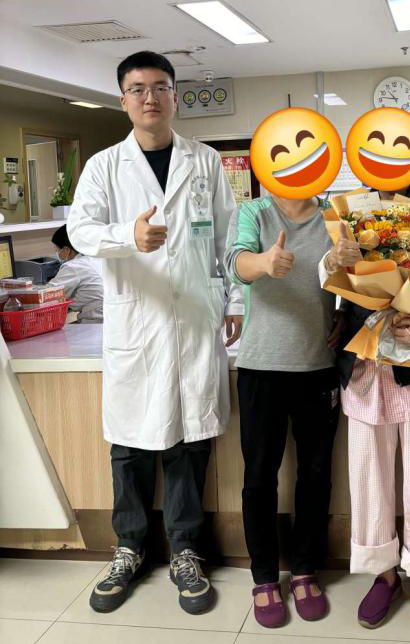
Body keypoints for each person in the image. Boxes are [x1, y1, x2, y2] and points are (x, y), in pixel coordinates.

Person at [68, 51, 242, 615]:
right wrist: (128, 236)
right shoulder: (104, 166)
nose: (150, 98)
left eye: (160, 87)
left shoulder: (205, 161)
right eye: (138, 89)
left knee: (191, 442)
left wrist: (236, 298)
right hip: (136, 323)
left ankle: (186, 551)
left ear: (175, 96)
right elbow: (80, 228)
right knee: (130, 446)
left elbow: (227, 237)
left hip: (194, 319)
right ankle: (130, 548)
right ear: (123, 100)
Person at [320, 187, 410, 630]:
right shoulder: (347, 213)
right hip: (366, 367)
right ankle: (382, 573)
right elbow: (326, 276)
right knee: (368, 475)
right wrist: (333, 259)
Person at [225, 193, 341, 628]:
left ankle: (306, 569)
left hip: (318, 366)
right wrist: (264, 262)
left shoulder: (333, 213)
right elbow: (236, 262)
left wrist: (345, 315)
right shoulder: (254, 211)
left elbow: (352, 279)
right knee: (259, 476)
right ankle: (264, 576)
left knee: (315, 474)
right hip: (260, 366)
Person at [50, 224, 103, 323]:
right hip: (110, 318)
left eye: (57, 250)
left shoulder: (73, 266)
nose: (57, 254)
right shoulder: (96, 259)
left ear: (67, 250)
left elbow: (49, 294)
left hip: (96, 321)